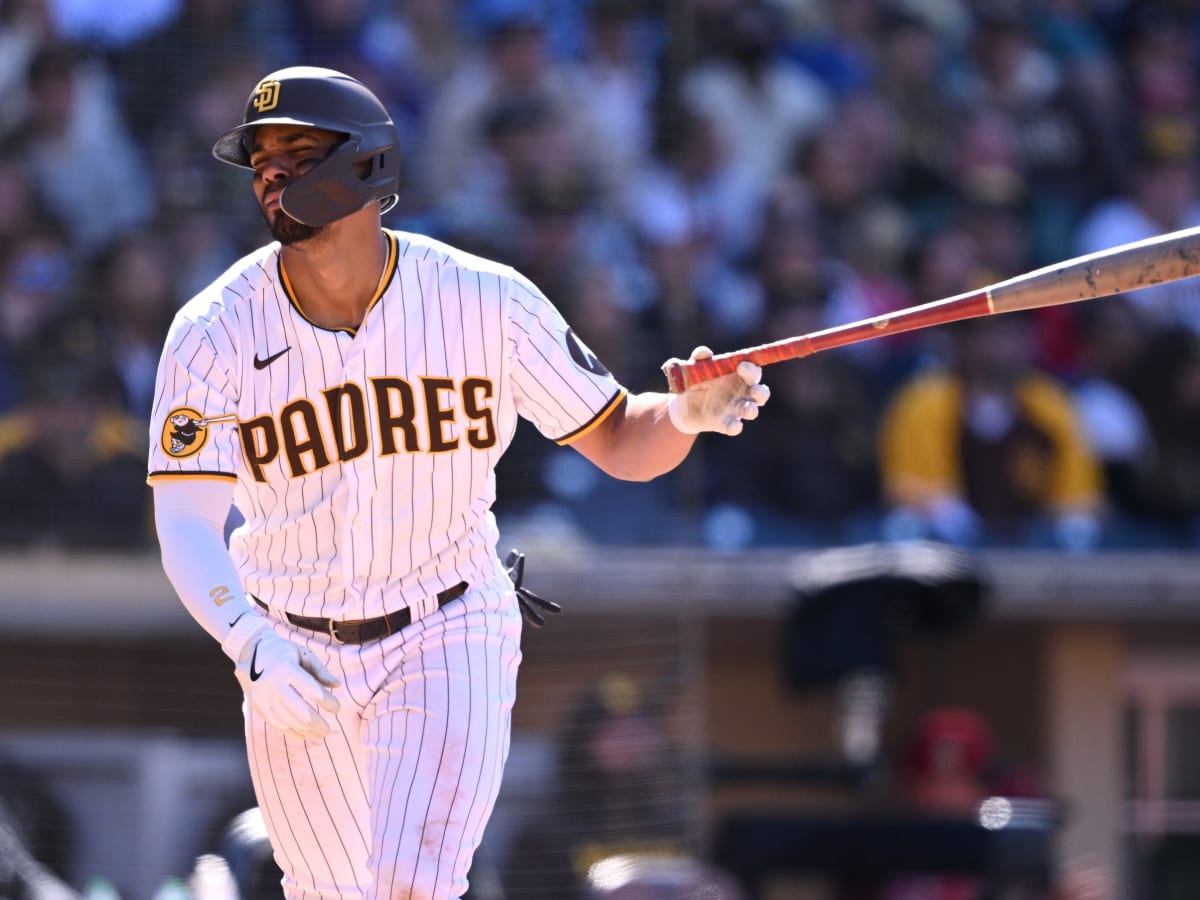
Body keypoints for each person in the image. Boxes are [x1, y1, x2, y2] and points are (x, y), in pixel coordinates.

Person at [146, 66, 769, 900]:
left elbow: (622, 436)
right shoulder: (212, 330)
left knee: (413, 882)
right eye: (261, 159)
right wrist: (248, 641)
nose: (271, 174)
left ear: (366, 163)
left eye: (296, 151)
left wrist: (686, 415)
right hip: (288, 640)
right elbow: (186, 520)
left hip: (445, 623)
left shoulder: (485, 300)